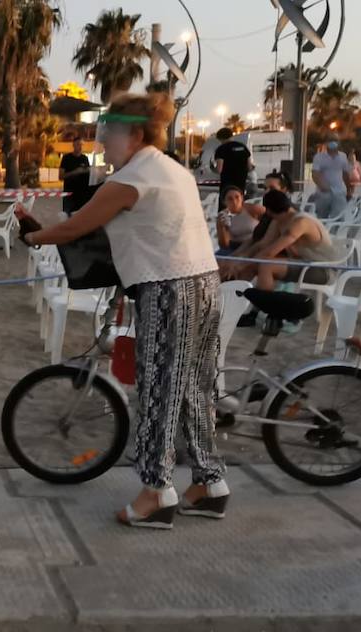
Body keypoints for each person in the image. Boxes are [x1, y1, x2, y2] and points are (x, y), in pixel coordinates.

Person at [22, 92, 227, 529]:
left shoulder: (133, 179)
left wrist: (34, 237)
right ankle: (210, 484)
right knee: (194, 389)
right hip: (205, 283)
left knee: (158, 391)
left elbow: (78, 226)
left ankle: (157, 492)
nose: (102, 142)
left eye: (108, 133)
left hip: (169, 289)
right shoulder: (172, 170)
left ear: (135, 134)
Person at [220, 189, 342, 291]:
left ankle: (263, 306)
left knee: (265, 265)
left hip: (323, 268)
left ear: (268, 210)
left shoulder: (301, 222)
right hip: (302, 263)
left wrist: (240, 265)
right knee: (249, 265)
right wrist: (238, 259)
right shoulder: (279, 219)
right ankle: (237, 299)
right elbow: (262, 244)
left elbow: (270, 252)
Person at [310, 136, 354, 219]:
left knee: (339, 218)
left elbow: (345, 174)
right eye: (330, 140)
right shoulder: (319, 157)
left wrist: (349, 190)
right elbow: (315, 173)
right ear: (326, 143)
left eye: (335, 140)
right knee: (321, 218)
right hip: (323, 193)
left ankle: (336, 228)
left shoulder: (343, 156)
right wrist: (323, 186)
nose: (333, 142)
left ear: (339, 143)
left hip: (339, 193)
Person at [215, 185, 263, 254]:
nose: (234, 201)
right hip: (234, 246)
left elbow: (269, 219)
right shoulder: (222, 216)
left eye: (237, 197)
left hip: (254, 244)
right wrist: (223, 228)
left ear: (242, 198)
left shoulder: (253, 209)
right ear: (224, 202)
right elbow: (224, 245)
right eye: (230, 199)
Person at [212, 127, 253, 195]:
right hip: (241, 183)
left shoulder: (221, 149)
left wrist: (213, 169)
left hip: (227, 184)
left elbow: (219, 169)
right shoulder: (243, 147)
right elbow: (250, 167)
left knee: (227, 200)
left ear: (220, 138)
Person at [60, 136, 92, 214]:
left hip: (82, 193)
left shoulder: (85, 158)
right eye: (78, 144)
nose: (80, 147)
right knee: (67, 215)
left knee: (80, 215)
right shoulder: (66, 158)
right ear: (73, 145)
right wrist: (75, 172)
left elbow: (88, 172)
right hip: (69, 192)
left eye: (82, 145)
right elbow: (61, 176)